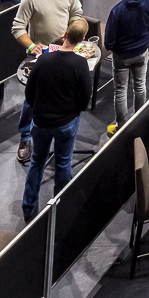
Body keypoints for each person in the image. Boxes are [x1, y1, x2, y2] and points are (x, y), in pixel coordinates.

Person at [12, 0, 86, 163]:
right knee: (31, 100)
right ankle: (25, 137)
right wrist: (31, 46)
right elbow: (17, 28)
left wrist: (73, 34)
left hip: (64, 51)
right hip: (42, 57)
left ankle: (59, 133)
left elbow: (76, 13)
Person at [22, 17, 94, 220]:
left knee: (36, 162)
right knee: (63, 164)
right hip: (66, 124)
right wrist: (72, 113)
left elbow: (29, 94)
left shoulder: (44, 60)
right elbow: (84, 99)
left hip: (41, 122)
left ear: (64, 34)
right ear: (82, 40)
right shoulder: (80, 64)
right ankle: (60, 208)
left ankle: (29, 209)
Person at [105, 0, 149, 127]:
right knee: (140, 86)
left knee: (120, 90)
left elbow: (108, 42)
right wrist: (143, 38)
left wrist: (116, 48)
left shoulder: (117, 11)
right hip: (142, 52)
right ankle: (139, 123)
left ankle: (121, 127)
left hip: (122, 57)